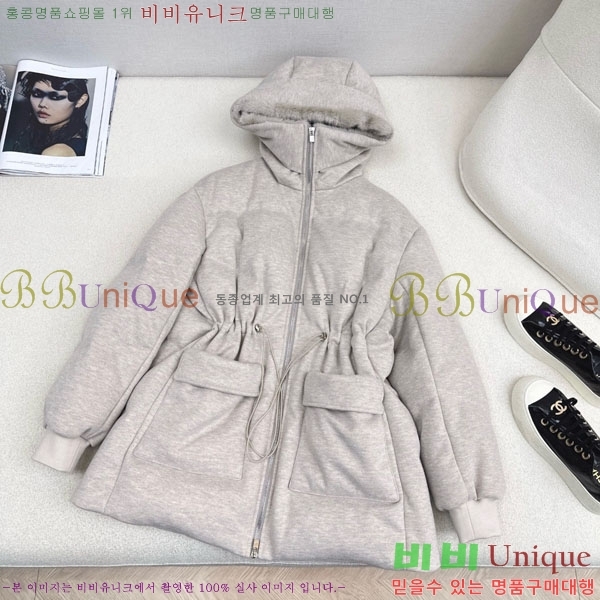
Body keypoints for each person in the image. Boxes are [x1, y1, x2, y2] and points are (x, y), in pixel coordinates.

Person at [9, 72, 89, 156]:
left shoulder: (57, 152)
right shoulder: (39, 137)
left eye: (55, 97)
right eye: (37, 94)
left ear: (80, 101)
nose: (42, 104)